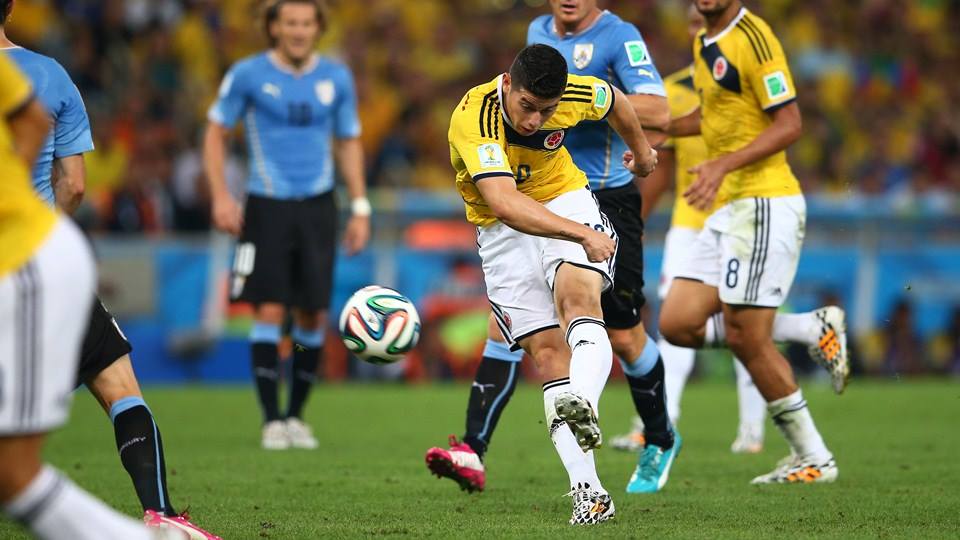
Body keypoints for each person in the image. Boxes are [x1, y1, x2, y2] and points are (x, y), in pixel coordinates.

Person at [427, 0, 681, 497]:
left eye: (546, 111)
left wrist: (645, 154)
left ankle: (607, 413)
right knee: (545, 353)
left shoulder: (582, 77)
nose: (535, 120)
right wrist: (582, 235)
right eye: (527, 107)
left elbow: (616, 102)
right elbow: (503, 203)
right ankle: (588, 491)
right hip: (504, 226)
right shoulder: (473, 115)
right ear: (507, 85)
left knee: (586, 307)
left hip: (570, 194)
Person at [0, 3, 218, 537]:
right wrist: (35, 224)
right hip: (34, 260)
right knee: (117, 383)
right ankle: (160, 515)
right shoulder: (46, 75)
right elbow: (74, 183)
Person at [611, 3, 849, 456]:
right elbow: (712, 116)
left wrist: (722, 164)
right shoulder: (706, 41)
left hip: (761, 199)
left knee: (747, 336)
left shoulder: (755, 39)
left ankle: (809, 454)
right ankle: (807, 328)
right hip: (725, 208)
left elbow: (790, 123)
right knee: (678, 322)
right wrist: (665, 135)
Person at [204, 0, 369, 450]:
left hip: (319, 205)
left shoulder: (336, 77)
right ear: (274, 27)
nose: (298, 31)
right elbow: (216, 132)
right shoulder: (248, 74)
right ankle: (270, 418)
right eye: (290, 23)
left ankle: (296, 415)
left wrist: (360, 205)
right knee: (270, 308)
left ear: (318, 28)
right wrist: (221, 193)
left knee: (313, 311)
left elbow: (348, 141)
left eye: (306, 23)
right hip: (266, 205)